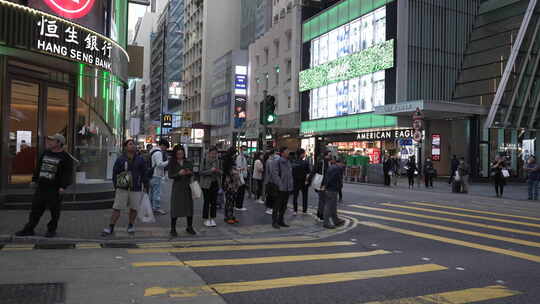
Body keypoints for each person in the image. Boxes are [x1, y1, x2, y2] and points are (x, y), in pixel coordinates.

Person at [15, 134, 74, 238]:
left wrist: (63, 187)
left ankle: (51, 230)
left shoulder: (66, 157)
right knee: (35, 209)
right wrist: (34, 180)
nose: (49, 142)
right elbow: (38, 167)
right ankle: (29, 229)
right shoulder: (46, 153)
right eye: (49, 140)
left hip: (55, 189)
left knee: (54, 211)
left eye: (52, 141)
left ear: (59, 143)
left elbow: (67, 173)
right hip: (42, 187)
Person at [102, 139, 148, 236]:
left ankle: (131, 225)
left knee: (134, 208)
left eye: (134, 144)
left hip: (136, 187)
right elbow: (115, 173)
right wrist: (116, 185)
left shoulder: (140, 159)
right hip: (122, 187)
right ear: (126, 147)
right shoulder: (120, 159)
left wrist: (146, 185)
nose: (133, 146)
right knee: (117, 208)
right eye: (130, 144)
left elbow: (144, 173)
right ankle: (111, 226)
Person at [168, 145, 195, 236]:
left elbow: (192, 172)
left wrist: (189, 172)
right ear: (175, 154)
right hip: (177, 187)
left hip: (187, 187)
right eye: (178, 154)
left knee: (189, 207)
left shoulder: (188, 162)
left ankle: (189, 227)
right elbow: (170, 175)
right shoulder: (172, 163)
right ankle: (173, 228)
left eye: (182, 153)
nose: (180, 155)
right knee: (175, 207)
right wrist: (178, 174)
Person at [267, 147, 294, 229]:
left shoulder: (288, 162)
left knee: (284, 206)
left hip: (287, 187)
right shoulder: (277, 162)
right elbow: (274, 174)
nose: (288, 153)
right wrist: (280, 185)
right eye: (287, 151)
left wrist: (290, 185)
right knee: (277, 205)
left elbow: (290, 175)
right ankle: (274, 221)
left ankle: (281, 220)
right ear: (282, 153)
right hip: (280, 188)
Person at [321, 157, 346, 229]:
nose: (343, 166)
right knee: (329, 206)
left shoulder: (332, 167)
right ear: (340, 163)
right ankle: (326, 222)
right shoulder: (337, 169)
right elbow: (331, 179)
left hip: (331, 189)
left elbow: (327, 178)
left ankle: (336, 220)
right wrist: (326, 186)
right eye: (343, 164)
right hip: (332, 189)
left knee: (333, 206)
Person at [200, 147, 222, 227]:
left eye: (215, 153)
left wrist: (218, 171)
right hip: (206, 184)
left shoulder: (217, 161)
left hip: (215, 183)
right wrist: (210, 171)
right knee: (206, 201)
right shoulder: (204, 160)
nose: (214, 155)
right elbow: (201, 172)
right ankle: (206, 219)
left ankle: (212, 218)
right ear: (209, 153)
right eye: (212, 153)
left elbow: (220, 171)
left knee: (214, 202)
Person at [149, 140, 169, 215]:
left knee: (152, 193)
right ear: (163, 145)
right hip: (156, 175)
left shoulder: (153, 151)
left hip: (151, 175)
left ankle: (151, 207)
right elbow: (159, 164)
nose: (165, 149)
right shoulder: (158, 153)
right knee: (156, 193)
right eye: (166, 147)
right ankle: (156, 208)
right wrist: (168, 162)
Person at [222, 147, 241, 224]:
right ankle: (227, 217)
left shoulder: (231, 161)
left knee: (232, 200)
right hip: (229, 183)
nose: (235, 155)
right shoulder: (227, 162)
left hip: (233, 183)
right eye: (234, 153)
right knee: (229, 200)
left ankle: (231, 216)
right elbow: (227, 173)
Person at [292, 149, 311, 215]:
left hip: (295, 181)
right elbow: (308, 173)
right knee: (305, 196)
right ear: (301, 154)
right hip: (303, 181)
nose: (304, 154)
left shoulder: (293, 162)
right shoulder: (305, 162)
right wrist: (307, 180)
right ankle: (304, 210)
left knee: (295, 196)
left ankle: (295, 210)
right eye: (304, 153)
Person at [314, 151, 331, 221]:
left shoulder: (322, 162)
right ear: (326, 155)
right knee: (323, 200)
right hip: (322, 184)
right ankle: (321, 215)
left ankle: (319, 214)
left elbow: (314, 171)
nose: (330, 156)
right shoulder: (324, 162)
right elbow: (325, 175)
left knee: (321, 200)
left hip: (320, 183)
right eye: (329, 155)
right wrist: (324, 185)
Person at [235, 146, 248, 211]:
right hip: (241, 176)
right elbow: (238, 167)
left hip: (243, 176)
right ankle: (238, 206)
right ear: (240, 150)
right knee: (240, 191)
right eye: (243, 150)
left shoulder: (244, 158)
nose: (244, 151)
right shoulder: (239, 157)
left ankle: (239, 205)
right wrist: (242, 169)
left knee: (241, 191)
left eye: (245, 150)